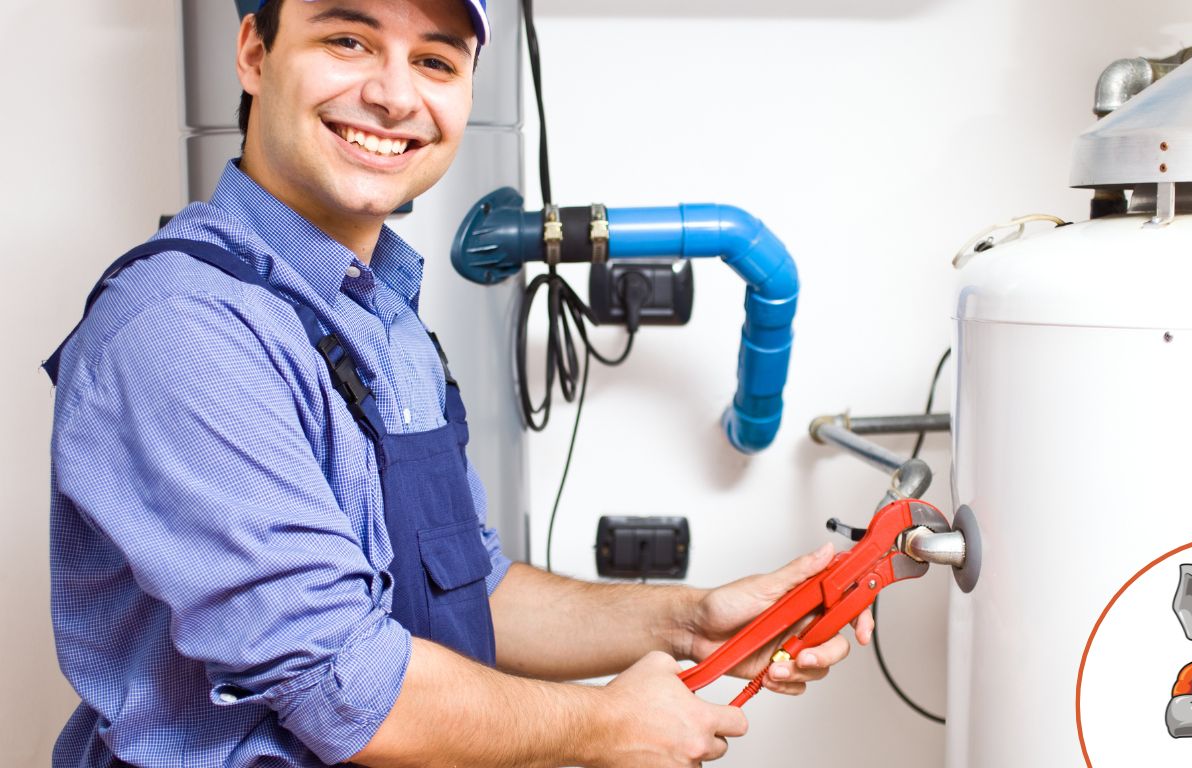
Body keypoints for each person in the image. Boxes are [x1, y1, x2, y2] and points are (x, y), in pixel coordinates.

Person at [45, 1, 872, 766]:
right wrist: (605, 723)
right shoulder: (183, 328)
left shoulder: (388, 319)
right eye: (348, 40)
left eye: (436, 61)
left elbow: (473, 590)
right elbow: (348, 689)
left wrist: (693, 623)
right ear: (255, 53)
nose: (394, 95)